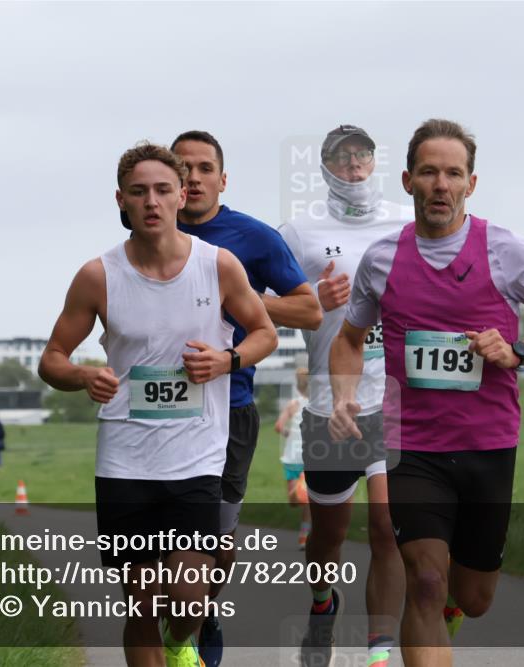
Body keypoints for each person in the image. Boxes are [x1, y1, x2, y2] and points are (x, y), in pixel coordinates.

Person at [329, 119, 524, 665]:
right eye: (428, 172)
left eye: (452, 173)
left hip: (487, 445)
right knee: (423, 578)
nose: (440, 185)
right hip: (412, 447)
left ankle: (451, 613)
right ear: (407, 180)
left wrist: (516, 351)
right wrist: (345, 395)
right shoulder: (380, 259)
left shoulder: (505, 250)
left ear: (470, 184)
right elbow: (348, 340)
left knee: (473, 597)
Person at [38, 141, 277, 667]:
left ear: (180, 196)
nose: (151, 201)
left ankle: (180, 641)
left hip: (196, 457)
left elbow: (265, 332)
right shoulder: (98, 275)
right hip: (125, 462)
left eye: (163, 190)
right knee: (142, 605)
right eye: (139, 192)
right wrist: (82, 375)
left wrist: (227, 360)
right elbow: (51, 359)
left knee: (189, 599)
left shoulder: (219, 266)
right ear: (121, 200)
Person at [170, 129, 321, 665]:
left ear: (222, 179)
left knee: (213, 537)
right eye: (181, 167)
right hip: (155, 409)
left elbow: (308, 311)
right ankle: (177, 629)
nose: (192, 177)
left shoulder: (253, 238)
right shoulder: (145, 235)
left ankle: (202, 611)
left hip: (228, 406)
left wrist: (249, 301)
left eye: (204, 168)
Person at [278, 124, 412, 667]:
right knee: (327, 538)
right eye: (342, 159)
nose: (354, 168)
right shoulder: (299, 232)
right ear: (326, 168)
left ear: (374, 164)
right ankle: (321, 603)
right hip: (329, 406)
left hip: (393, 399)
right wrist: (311, 297)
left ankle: (379, 648)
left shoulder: (407, 223)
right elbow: (253, 299)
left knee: (386, 525)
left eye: (362, 157)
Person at [274, 367, 311, 550]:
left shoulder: (294, 404)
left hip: (302, 459)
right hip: (294, 458)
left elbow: (278, 426)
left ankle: (304, 536)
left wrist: (289, 433)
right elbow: (279, 426)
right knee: (297, 500)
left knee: (302, 500)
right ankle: (307, 529)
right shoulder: (304, 404)